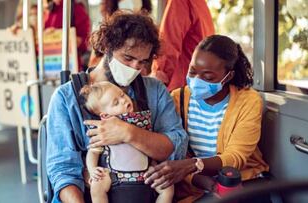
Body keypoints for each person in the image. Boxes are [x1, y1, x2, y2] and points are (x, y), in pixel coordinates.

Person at [46, 11, 188, 203]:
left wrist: (129, 133)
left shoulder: (154, 91)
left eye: (142, 61)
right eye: (127, 58)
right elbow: (63, 170)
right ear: (107, 47)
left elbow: (176, 146)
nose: (134, 68)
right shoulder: (66, 98)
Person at [144, 35, 270, 202]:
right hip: (193, 186)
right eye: (192, 71)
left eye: (208, 77)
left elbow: (236, 156)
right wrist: (198, 179)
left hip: (241, 181)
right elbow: (173, 155)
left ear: (228, 76)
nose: (197, 80)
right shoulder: (177, 99)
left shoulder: (248, 101)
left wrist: (194, 165)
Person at [80, 81, 174, 203]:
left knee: (167, 187)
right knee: (97, 186)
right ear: (105, 115)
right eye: (116, 103)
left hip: (145, 172)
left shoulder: (141, 120)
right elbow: (93, 152)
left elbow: (150, 146)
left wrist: (154, 165)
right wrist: (93, 170)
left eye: (122, 95)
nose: (123, 100)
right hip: (114, 175)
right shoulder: (104, 129)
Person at [151, 0, 215, 91]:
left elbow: (169, 42)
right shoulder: (201, 4)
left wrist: (159, 74)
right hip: (199, 85)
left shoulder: (180, 2)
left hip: (180, 86)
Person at [44, 0, 91, 71]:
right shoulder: (48, 10)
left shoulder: (76, 9)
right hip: (50, 63)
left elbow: (85, 40)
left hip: (71, 63)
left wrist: (58, 36)